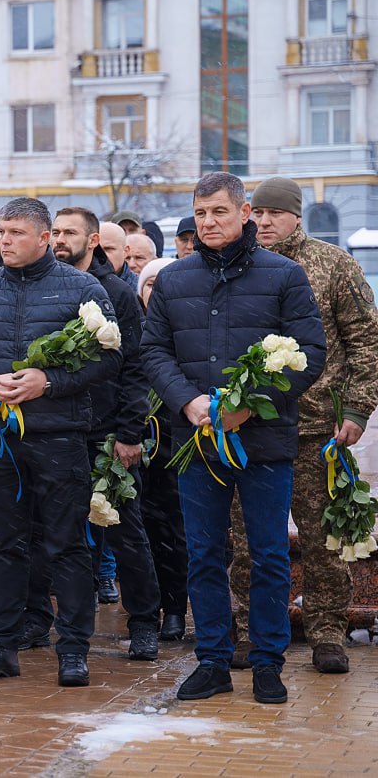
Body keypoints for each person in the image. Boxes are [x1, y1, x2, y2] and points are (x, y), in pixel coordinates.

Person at [141, 172, 325, 704]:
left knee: (267, 554)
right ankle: (214, 661)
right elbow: (154, 352)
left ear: (245, 213)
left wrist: (250, 406)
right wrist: (188, 400)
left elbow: (310, 353)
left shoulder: (284, 275)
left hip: (264, 441)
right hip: (197, 439)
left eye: (219, 212)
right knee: (203, 553)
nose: (208, 222)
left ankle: (267, 662)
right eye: (200, 213)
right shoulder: (176, 280)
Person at [0, 198, 120, 688]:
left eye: (16, 233)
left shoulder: (83, 289)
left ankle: (73, 650)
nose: (4, 241)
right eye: (2, 232)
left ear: (45, 238)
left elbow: (109, 360)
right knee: (5, 545)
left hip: (60, 436)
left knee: (67, 545)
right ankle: (2, 647)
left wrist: (49, 382)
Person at [227, 177, 378, 675]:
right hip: (249, 428)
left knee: (321, 540)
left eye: (275, 213)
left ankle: (328, 631)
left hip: (316, 430)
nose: (264, 222)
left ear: (297, 216)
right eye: (259, 213)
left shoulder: (334, 265)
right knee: (249, 540)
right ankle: (248, 630)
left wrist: (356, 411)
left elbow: (366, 344)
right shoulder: (234, 262)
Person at [46, 207, 161, 661]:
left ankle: (145, 621)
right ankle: (58, 622)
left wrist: (129, 432)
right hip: (59, 429)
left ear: (92, 240)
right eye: (54, 231)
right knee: (59, 533)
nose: (59, 239)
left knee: (125, 533)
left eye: (69, 232)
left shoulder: (117, 293)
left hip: (108, 432)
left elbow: (135, 368)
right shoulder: (46, 288)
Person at [135, 257, 189, 642]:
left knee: (175, 531)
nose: (156, 291)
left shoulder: (186, 329)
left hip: (178, 441)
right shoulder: (130, 327)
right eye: (149, 283)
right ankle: (144, 607)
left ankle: (175, 608)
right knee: (142, 530)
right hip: (135, 442)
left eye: (162, 283)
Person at [98, 222, 136, 287]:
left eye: (108, 249)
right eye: (97, 249)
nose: (101, 255)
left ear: (125, 251)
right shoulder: (81, 284)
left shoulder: (139, 289)